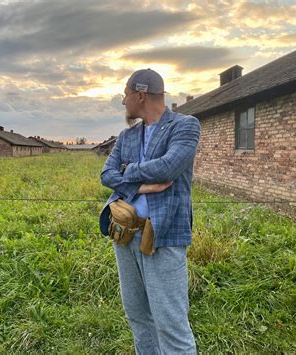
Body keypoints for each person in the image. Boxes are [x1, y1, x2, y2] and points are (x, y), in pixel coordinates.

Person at [100, 69, 201, 354]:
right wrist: (141, 188)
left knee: (171, 325)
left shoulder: (185, 126)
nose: (123, 102)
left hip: (163, 235)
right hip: (125, 233)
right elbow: (106, 174)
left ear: (140, 95)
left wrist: (127, 171)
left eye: (125, 95)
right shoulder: (127, 135)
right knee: (138, 316)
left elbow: (169, 167)